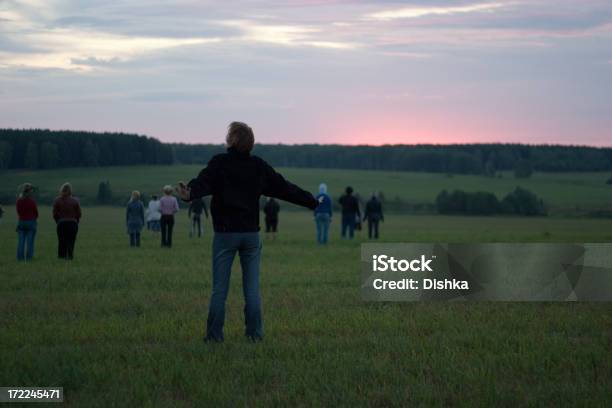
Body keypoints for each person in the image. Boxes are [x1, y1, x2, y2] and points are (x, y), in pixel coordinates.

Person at [177, 121, 319, 343]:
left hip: (225, 235)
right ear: (250, 143)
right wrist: (311, 201)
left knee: (219, 290)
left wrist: (189, 193)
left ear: (232, 140)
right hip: (251, 235)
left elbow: (203, 183)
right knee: (252, 290)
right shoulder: (258, 166)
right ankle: (254, 336)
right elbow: (285, 188)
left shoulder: (219, 163)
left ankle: (214, 338)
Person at [53, 183, 82, 260]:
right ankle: (70, 256)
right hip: (72, 223)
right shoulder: (75, 201)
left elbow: (55, 214)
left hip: (61, 223)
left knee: (62, 240)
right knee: (71, 241)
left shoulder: (57, 200)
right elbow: (79, 214)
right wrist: (76, 222)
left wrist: (58, 222)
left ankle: (61, 256)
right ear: (70, 191)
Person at [15, 183, 38, 261]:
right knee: (30, 241)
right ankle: (29, 258)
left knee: (21, 241)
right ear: (30, 192)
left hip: (21, 222)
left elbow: (18, 211)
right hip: (31, 222)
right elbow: (36, 213)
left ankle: (20, 258)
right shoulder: (32, 201)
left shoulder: (19, 201)